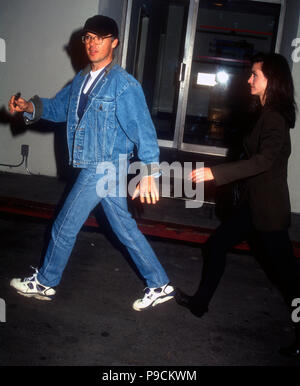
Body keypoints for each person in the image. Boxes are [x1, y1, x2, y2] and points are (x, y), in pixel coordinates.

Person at [8, 15, 174, 311]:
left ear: (114, 42)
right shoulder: (82, 79)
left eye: (100, 37)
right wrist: (30, 106)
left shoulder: (124, 85)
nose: (92, 43)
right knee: (125, 229)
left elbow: (143, 129)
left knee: (64, 224)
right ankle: (159, 283)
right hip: (100, 167)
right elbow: (59, 108)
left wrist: (149, 171)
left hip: (104, 166)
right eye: (88, 37)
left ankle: (45, 282)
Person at [175, 52, 300, 357]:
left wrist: (216, 173)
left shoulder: (274, 117)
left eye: (255, 74)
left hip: (267, 211)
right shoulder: (264, 110)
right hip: (251, 206)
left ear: (272, 80)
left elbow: (264, 160)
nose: (248, 79)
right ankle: (200, 303)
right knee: (215, 246)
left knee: (289, 279)